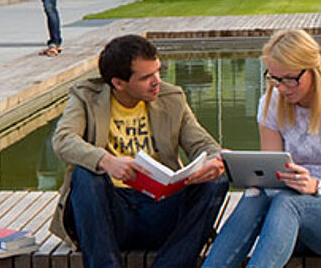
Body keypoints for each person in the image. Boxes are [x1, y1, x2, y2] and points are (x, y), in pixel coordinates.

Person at [49, 34, 228, 267]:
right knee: (86, 174)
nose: (157, 81)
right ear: (118, 83)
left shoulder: (171, 98)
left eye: (157, 72)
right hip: (111, 215)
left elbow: (205, 146)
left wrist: (213, 161)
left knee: (217, 179)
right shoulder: (86, 96)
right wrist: (105, 160)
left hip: (160, 208)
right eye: (146, 77)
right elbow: (63, 140)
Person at [203, 29, 321, 267]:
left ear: (312, 70)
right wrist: (246, 169)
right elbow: (271, 172)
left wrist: (317, 186)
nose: (282, 88)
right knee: (256, 195)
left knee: (288, 202)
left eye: (289, 78)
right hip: (288, 222)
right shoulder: (272, 102)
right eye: (274, 78)